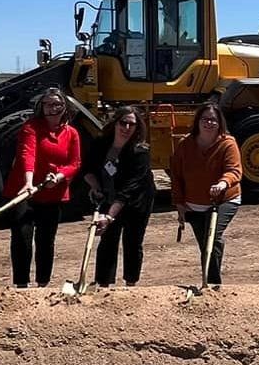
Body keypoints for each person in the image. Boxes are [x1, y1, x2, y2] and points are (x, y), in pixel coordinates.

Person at [5, 87, 82, 288]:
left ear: (65, 107)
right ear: (41, 106)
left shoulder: (72, 133)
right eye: (47, 104)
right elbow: (27, 155)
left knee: (46, 240)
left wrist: (58, 177)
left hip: (52, 192)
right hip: (25, 191)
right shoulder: (31, 127)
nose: (52, 108)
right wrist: (28, 182)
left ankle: (43, 283)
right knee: (22, 237)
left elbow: (74, 163)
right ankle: (21, 284)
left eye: (57, 104)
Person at [171, 101, 241, 284]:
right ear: (198, 121)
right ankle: (210, 283)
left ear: (220, 123)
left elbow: (234, 170)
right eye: (205, 119)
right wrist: (179, 203)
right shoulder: (184, 144)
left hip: (224, 199)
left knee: (212, 236)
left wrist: (223, 183)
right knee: (206, 244)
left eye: (213, 120)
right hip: (194, 204)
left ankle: (212, 285)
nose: (209, 123)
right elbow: (176, 176)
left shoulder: (228, 143)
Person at [88, 105, 154, 287]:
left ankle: (130, 284)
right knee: (108, 240)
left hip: (136, 201)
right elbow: (88, 169)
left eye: (131, 125)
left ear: (137, 127)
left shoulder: (140, 152)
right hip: (108, 196)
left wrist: (110, 216)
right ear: (115, 123)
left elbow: (129, 188)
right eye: (123, 123)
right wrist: (95, 187)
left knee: (133, 242)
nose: (126, 128)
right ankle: (103, 284)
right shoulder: (101, 144)